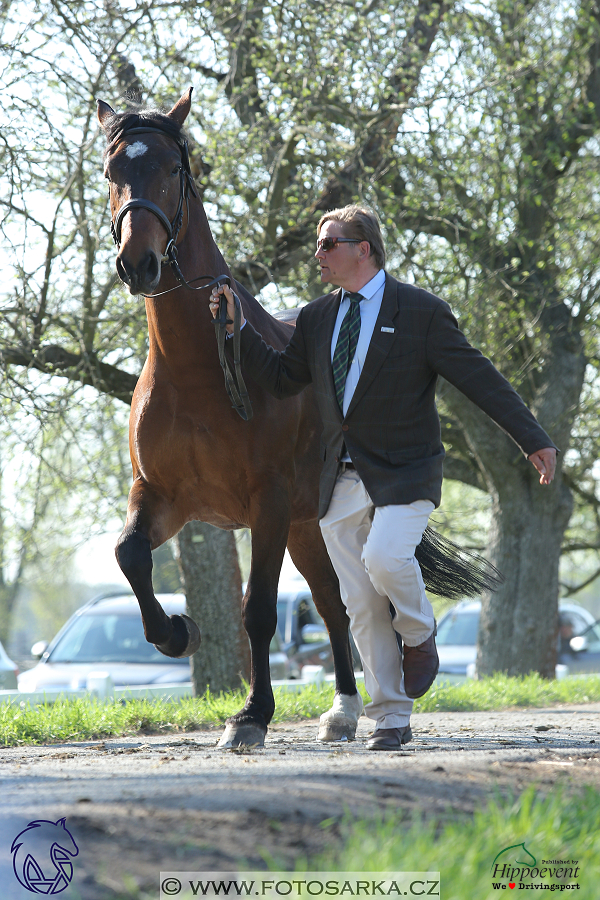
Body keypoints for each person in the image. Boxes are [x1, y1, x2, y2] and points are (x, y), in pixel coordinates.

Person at [210, 205, 557, 751]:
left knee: (386, 558)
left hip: (405, 472)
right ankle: (390, 718)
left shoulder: (419, 311)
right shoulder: (318, 316)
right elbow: (280, 380)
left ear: (362, 248)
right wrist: (238, 330)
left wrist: (531, 437)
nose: (318, 254)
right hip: (338, 479)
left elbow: (476, 375)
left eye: (328, 244)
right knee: (362, 605)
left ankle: (420, 634)